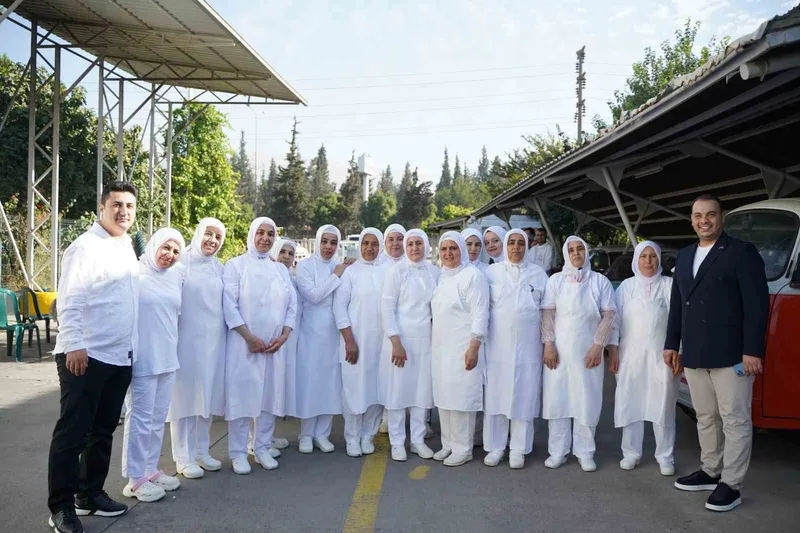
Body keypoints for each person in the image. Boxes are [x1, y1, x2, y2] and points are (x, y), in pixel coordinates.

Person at [665, 194, 768, 512]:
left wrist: (752, 349)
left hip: (732, 354)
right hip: (695, 352)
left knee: (735, 420)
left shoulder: (741, 252)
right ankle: (711, 471)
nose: (704, 220)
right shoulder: (684, 256)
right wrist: (672, 343)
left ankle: (731, 484)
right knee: (706, 417)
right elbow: (677, 305)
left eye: (710, 214)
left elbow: (756, 304)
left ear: (722, 218)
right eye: (697, 215)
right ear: (692, 219)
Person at [47, 182, 139, 533]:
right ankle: (61, 507)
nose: (123, 212)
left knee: (101, 431)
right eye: (116, 205)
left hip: (118, 355)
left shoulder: (125, 245)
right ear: (101, 208)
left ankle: (90, 495)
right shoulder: (85, 247)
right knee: (72, 433)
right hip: (85, 355)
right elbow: (69, 298)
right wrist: (73, 344)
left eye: (129, 206)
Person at [222, 217, 296, 475]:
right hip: (243, 345)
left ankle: (262, 446)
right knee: (242, 397)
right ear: (252, 234)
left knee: (268, 396)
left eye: (271, 234)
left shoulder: (280, 270)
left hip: (274, 347)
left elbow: (292, 305)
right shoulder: (235, 266)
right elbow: (229, 306)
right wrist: (249, 337)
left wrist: (284, 335)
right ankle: (238, 452)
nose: (265, 238)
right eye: (261, 233)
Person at [541, 236, 616, 472]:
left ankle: (585, 452)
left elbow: (609, 316)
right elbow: (548, 315)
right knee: (558, 399)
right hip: (559, 351)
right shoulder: (556, 281)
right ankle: (558, 451)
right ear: (566, 254)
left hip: (588, 353)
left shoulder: (599, 281)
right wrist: (549, 344)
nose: (576, 253)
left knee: (587, 400)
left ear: (586, 252)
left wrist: (597, 346)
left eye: (580, 249)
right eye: (571, 250)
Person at [121, 228, 186, 502]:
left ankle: (150, 470)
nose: (169, 255)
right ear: (154, 246)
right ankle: (134, 479)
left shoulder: (175, 277)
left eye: (175, 251)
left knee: (158, 418)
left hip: (168, 357)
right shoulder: (134, 274)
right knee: (140, 418)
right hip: (144, 357)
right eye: (165, 248)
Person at [608, 241, 679, 476]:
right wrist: (614, 351)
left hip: (663, 356)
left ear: (659, 260)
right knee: (631, 402)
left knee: (663, 404)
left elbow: (679, 322)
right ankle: (631, 453)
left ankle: (665, 456)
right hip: (631, 355)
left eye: (653, 256)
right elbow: (615, 322)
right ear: (636, 260)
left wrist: (679, 350)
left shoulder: (669, 286)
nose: (648, 261)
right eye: (643, 256)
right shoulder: (626, 287)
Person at [483, 229, 548, 469]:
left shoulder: (539, 274)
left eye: (521, 243)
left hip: (529, 348)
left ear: (527, 246)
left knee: (524, 396)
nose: (516, 248)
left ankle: (519, 449)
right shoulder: (491, 273)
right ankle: (495, 447)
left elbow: (547, 313)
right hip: (497, 347)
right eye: (512, 243)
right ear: (506, 245)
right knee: (496, 396)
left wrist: (548, 343)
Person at [167, 219, 227, 480]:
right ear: (198, 234)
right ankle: (183, 457)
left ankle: (202, 450)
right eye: (208, 234)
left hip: (214, 342)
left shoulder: (219, 268)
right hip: (186, 341)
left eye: (217, 236)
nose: (212, 240)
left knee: (207, 397)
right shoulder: (182, 264)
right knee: (185, 399)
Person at [380, 229, 440, 462]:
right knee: (398, 392)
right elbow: (387, 308)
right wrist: (396, 341)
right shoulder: (397, 272)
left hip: (426, 341)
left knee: (421, 392)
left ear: (426, 246)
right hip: (401, 341)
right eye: (411, 244)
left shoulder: (434, 272)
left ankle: (417, 440)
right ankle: (397, 441)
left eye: (418, 243)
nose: (414, 248)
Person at [431, 231, 490, 467]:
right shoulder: (443, 277)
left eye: (453, 248)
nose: (448, 253)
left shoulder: (472, 276)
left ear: (461, 251)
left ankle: (463, 448)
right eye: (444, 249)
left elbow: (480, 313)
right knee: (445, 397)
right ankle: (448, 444)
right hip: (441, 348)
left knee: (462, 398)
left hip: (463, 347)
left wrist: (474, 345)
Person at [292, 225, 351, 453]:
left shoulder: (341, 265)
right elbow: (314, 296)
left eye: (333, 242)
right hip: (310, 333)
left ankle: (322, 433)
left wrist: (343, 269)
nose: (328, 246)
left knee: (330, 383)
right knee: (310, 383)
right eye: (324, 241)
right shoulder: (305, 266)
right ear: (318, 242)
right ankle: (306, 434)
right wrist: (337, 274)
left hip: (333, 333)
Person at [333, 228, 387, 457]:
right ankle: (352, 437)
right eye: (366, 243)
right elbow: (339, 307)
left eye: (375, 244)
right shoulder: (350, 272)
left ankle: (368, 435)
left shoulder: (387, 272)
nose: (370, 248)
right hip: (354, 342)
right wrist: (349, 340)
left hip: (381, 344)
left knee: (377, 390)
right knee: (354, 389)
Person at [378, 224, 407, 434]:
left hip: (409, 330)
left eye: (400, 239)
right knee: (387, 375)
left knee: (410, 375)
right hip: (380, 329)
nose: (396, 243)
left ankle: (417, 420)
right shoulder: (376, 265)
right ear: (384, 243)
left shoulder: (415, 264)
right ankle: (386, 416)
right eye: (391, 239)